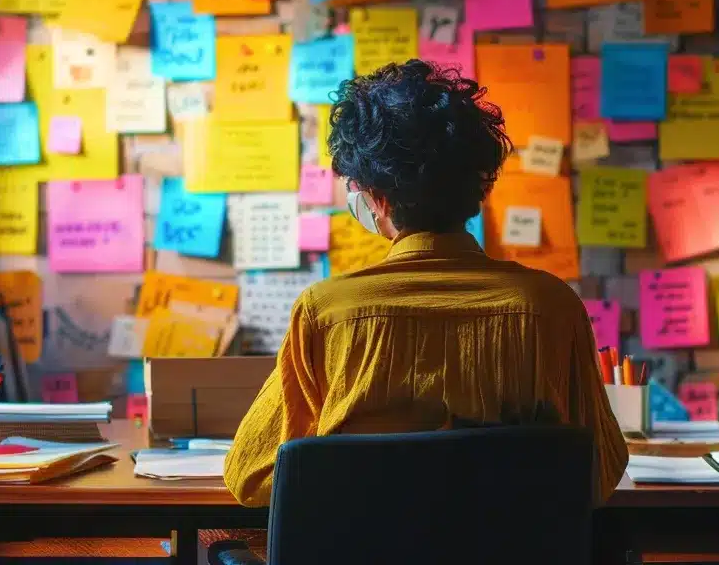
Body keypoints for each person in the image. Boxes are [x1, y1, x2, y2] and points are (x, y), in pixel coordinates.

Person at [223, 60, 629, 507]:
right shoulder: (550, 306)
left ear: (376, 197)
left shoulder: (326, 312)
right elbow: (599, 472)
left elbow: (251, 476)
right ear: (479, 185)